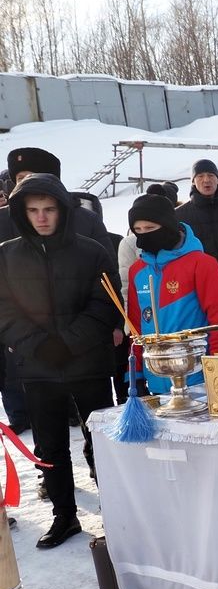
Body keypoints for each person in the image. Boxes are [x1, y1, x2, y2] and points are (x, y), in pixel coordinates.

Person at [0, 174, 119, 549]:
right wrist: (38, 345)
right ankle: (64, 515)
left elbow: (106, 304)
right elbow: (4, 311)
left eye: (49, 209)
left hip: (88, 363)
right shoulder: (6, 255)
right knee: (50, 447)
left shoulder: (92, 251)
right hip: (38, 369)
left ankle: (117, 510)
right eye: (33, 210)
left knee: (101, 441)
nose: (42, 217)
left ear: (63, 210)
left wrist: (69, 343)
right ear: (21, 212)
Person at [125, 192, 218, 394]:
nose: (144, 235)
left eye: (150, 228)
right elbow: (136, 326)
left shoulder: (201, 264)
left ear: (167, 226)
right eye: (137, 230)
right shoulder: (137, 271)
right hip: (156, 379)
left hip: (198, 378)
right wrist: (136, 373)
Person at [177, 158, 218, 351]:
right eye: (200, 176)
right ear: (193, 181)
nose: (206, 180)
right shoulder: (181, 215)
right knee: (209, 339)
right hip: (202, 287)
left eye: (211, 175)